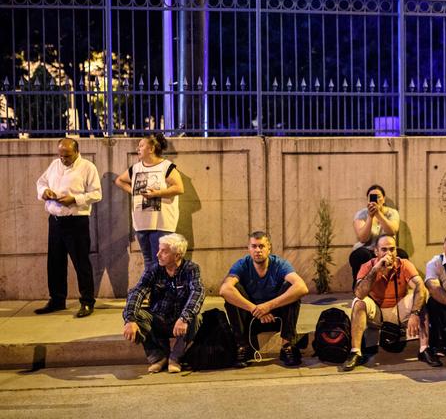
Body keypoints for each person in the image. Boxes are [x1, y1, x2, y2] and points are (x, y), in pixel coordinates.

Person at [342, 235, 439, 371]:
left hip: (398, 309)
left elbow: (419, 286)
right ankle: (355, 352)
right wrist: (375, 270)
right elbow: (359, 293)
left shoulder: (404, 264)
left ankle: (424, 349)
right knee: (359, 302)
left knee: (421, 293)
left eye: (392, 249)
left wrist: (415, 313)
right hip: (377, 311)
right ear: (376, 252)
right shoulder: (367, 266)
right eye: (384, 249)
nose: (388, 253)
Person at [35, 138, 102, 318]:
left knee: (81, 263)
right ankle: (57, 300)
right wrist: (45, 192)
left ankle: (87, 302)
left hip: (76, 221)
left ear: (76, 152)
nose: (63, 159)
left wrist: (75, 199)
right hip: (56, 220)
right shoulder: (54, 165)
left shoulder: (88, 167)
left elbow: (97, 193)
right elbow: (41, 183)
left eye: (67, 156)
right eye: (61, 155)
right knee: (55, 262)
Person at [220, 231, 309, 367]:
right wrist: (256, 309)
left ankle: (287, 346)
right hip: (251, 317)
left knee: (292, 289)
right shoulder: (242, 264)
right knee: (233, 290)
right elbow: (224, 290)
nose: (257, 250)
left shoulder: (280, 264)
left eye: (261, 246)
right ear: (248, 249)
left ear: (269, 248)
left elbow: (302, 287)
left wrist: (268, 307)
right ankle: (243, 346)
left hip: (275, 317)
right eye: (254, 246)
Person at [122, 233, 205, 373]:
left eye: (164, 251)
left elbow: (198, 293)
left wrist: (184, 317)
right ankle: (158, 357)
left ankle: (175, 357)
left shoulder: (191, 269)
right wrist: (129, 319)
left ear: (177, 255)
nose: (158, 254)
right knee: (135, 315)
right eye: (159, 250)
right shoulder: (155, 269)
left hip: (179, 322)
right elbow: (137, 291)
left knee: (196, 318)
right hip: (159, 318)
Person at [115, 133, 184, 273]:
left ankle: (163, 293)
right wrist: (133, 191)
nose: (137, 148)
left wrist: (156, 194)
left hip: (162, 223)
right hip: (141, 222)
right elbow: (119, 181)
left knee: (162, 261)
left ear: (151, 149)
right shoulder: (136, 168)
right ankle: (153, 292)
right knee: (148, 261)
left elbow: (179, 188)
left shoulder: (166, 167)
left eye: (141, 145)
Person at [349, 185, 408, 288]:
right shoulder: (361, 214)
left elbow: (392, 231)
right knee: (360, 255)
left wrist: (378, 214)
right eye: (372, 197)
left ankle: (396, 288)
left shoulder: (392, 213)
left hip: (385, 250)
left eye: (378, 197)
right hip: (367, 249)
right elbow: (363, 238)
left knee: (402, 255)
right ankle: (359, 287)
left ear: (383, 199)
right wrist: (370, 217)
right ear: (367, 200)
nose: (376, 200)